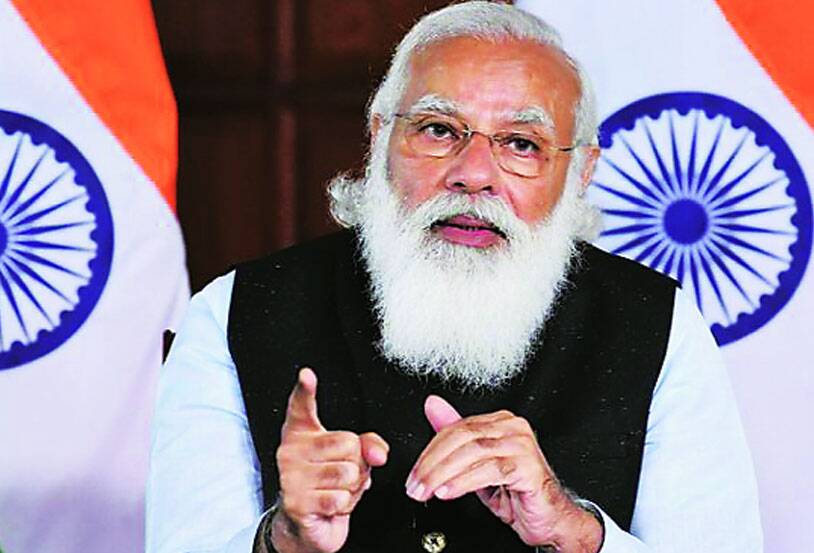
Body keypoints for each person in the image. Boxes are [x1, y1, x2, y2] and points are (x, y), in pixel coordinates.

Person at [146, 2, 763, 552]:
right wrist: (282, 540)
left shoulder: (658, 323)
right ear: (380, 137)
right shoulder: (233, 312)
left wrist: (574, 531)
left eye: (521, 144)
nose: (474, 174)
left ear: (581, 172)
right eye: (439, 130)